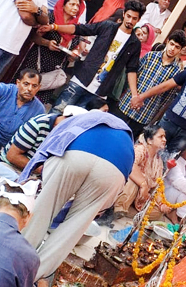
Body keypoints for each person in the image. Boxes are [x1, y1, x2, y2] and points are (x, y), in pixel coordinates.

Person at [19, 111, 134, 285]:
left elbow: (50, 146)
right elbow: (115, 192)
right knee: (74, 228)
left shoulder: (79, 120)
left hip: (75, 155)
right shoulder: (127, 141)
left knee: (44, 208)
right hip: (113, 172)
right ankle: (31, 277)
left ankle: (15, 259)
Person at [47, 0, 144, 114]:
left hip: (100, 91)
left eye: (134, 18)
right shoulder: (107, 26)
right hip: (81, 79)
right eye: (128, 16)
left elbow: (132, 69)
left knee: (77, 123)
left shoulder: (135, 43)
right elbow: (80, 29)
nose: (130, 20)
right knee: (57, 112)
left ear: (138, 20)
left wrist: (134, 95)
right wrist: (55, 27)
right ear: (124, 14)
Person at [116, 30, 186, 138]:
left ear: (181, 50)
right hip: (128, 103)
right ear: (167, 41)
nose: (172, 49)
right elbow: (133, 75)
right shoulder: (150, 56)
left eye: (177, 47)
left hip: (145, 113)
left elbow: (166, 98)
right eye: (172, 44)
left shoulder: (177, 71)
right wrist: (134, 96)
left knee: (127, 142)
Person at [16, 0, 84, 103]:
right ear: (63, 5)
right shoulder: (50, 20)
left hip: (53, 70)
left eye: (78, 6)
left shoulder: (75, 28)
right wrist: (47, 43)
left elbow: (74, 47)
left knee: (38, 102)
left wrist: (73, 54)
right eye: (72, 4)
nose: (75, 8)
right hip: (36, 62)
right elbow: (33, 37)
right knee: (22, 93)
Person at [0, 102, 104, 174]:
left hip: (33, 174)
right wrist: (42, 170)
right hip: (9, 167)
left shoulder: (67, 136)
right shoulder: (38, 124)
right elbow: (12, 156)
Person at [0, 69, 45, 156]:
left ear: (39, 87)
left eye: (34, 86)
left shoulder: (39, 110)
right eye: (26, 84)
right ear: (18, 83)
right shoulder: (5, 89)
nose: (29, 89)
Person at [112, 124, 165, 219]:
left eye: (164, 137)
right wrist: (143, 184)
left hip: (141, 196)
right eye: (161, 137)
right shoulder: (140, 149)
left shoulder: (158, 161)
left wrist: (161, 203)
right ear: (149, 140)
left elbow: (157, 185)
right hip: (125, 186)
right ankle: (118, 207)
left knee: (158, 212)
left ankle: (124, 211)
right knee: (133, 183)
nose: (164, 140)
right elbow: (130, 165)